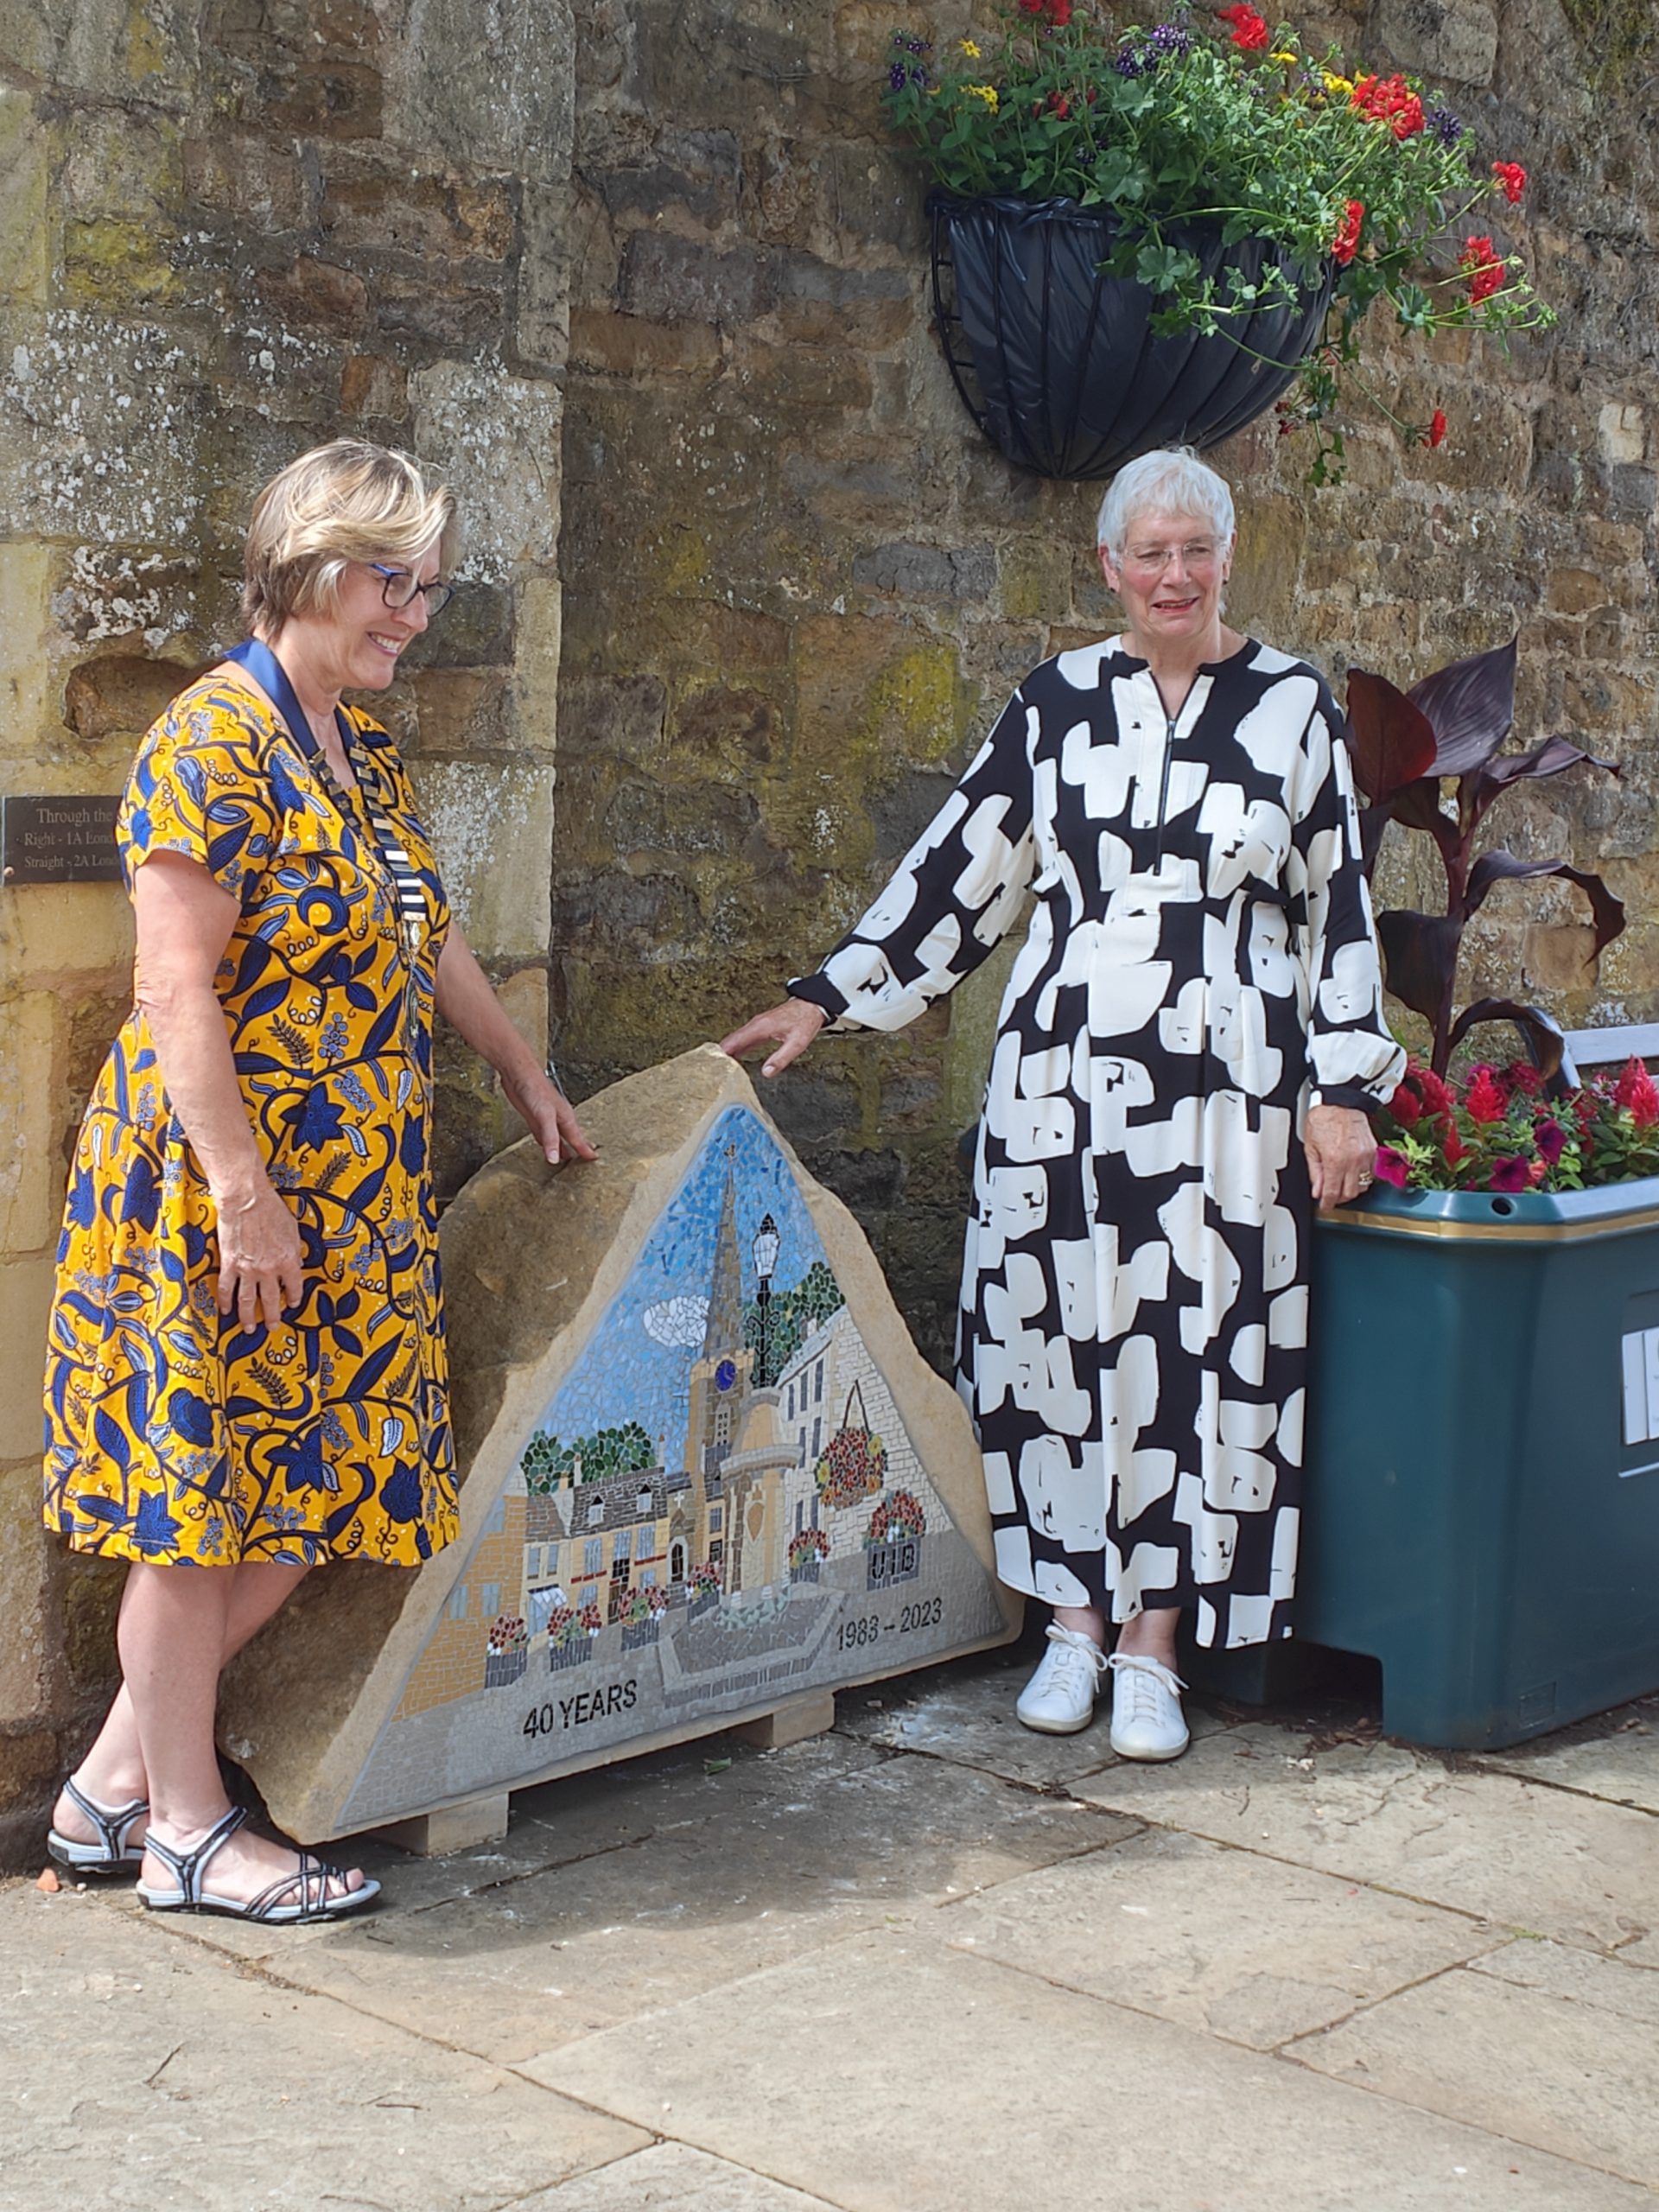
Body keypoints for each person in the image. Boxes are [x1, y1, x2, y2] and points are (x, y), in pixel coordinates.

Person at [722, 447, 1403, 1762]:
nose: (1172, 575)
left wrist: (1338, 1090)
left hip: (1223, 1105)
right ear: (1108, 566)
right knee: (1058, 1349)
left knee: (1191, 1351)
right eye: (1147, 553)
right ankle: (1074, 1622)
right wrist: (829, 994)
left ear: (1226, 558)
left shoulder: (1293, 710)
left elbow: (1341, 911)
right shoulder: (1055, 706)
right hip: (1062, 1098)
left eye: (1193, 551)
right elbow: (958, 874)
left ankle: (1158, 1645)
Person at [42, 438, 594, 1919]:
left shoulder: (362, 743)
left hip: (351, 1192)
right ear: (305, 565)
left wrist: (520, 1069)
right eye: (387, 580)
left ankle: (107, 1788)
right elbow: (173, 992)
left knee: (322, 1491)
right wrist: (240, 1190)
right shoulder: (210, 744)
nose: (411, 613)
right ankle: (190, 1835)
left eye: (428, 587)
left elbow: (429, 933)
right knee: (200, 1503)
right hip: (218, 1193)